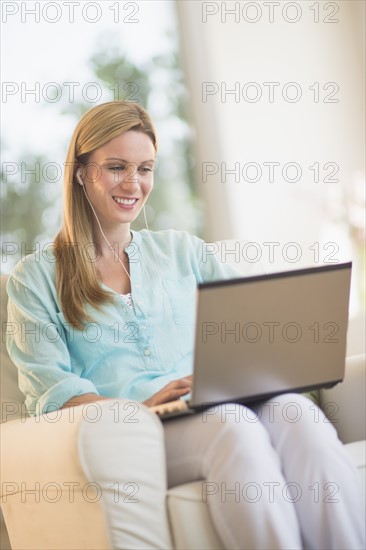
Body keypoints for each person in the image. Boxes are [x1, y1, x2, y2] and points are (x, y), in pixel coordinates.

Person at [6, 101, 365, 550]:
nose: (134, 184)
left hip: (214, 403)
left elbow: (252, 323)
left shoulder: (184, 252)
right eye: (117, 167)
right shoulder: (35, 278)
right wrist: (138, 409)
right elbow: (50, 391)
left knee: (299, 414)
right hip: (138, 435)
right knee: (232, 426)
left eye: (146, 168)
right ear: (80, 172)